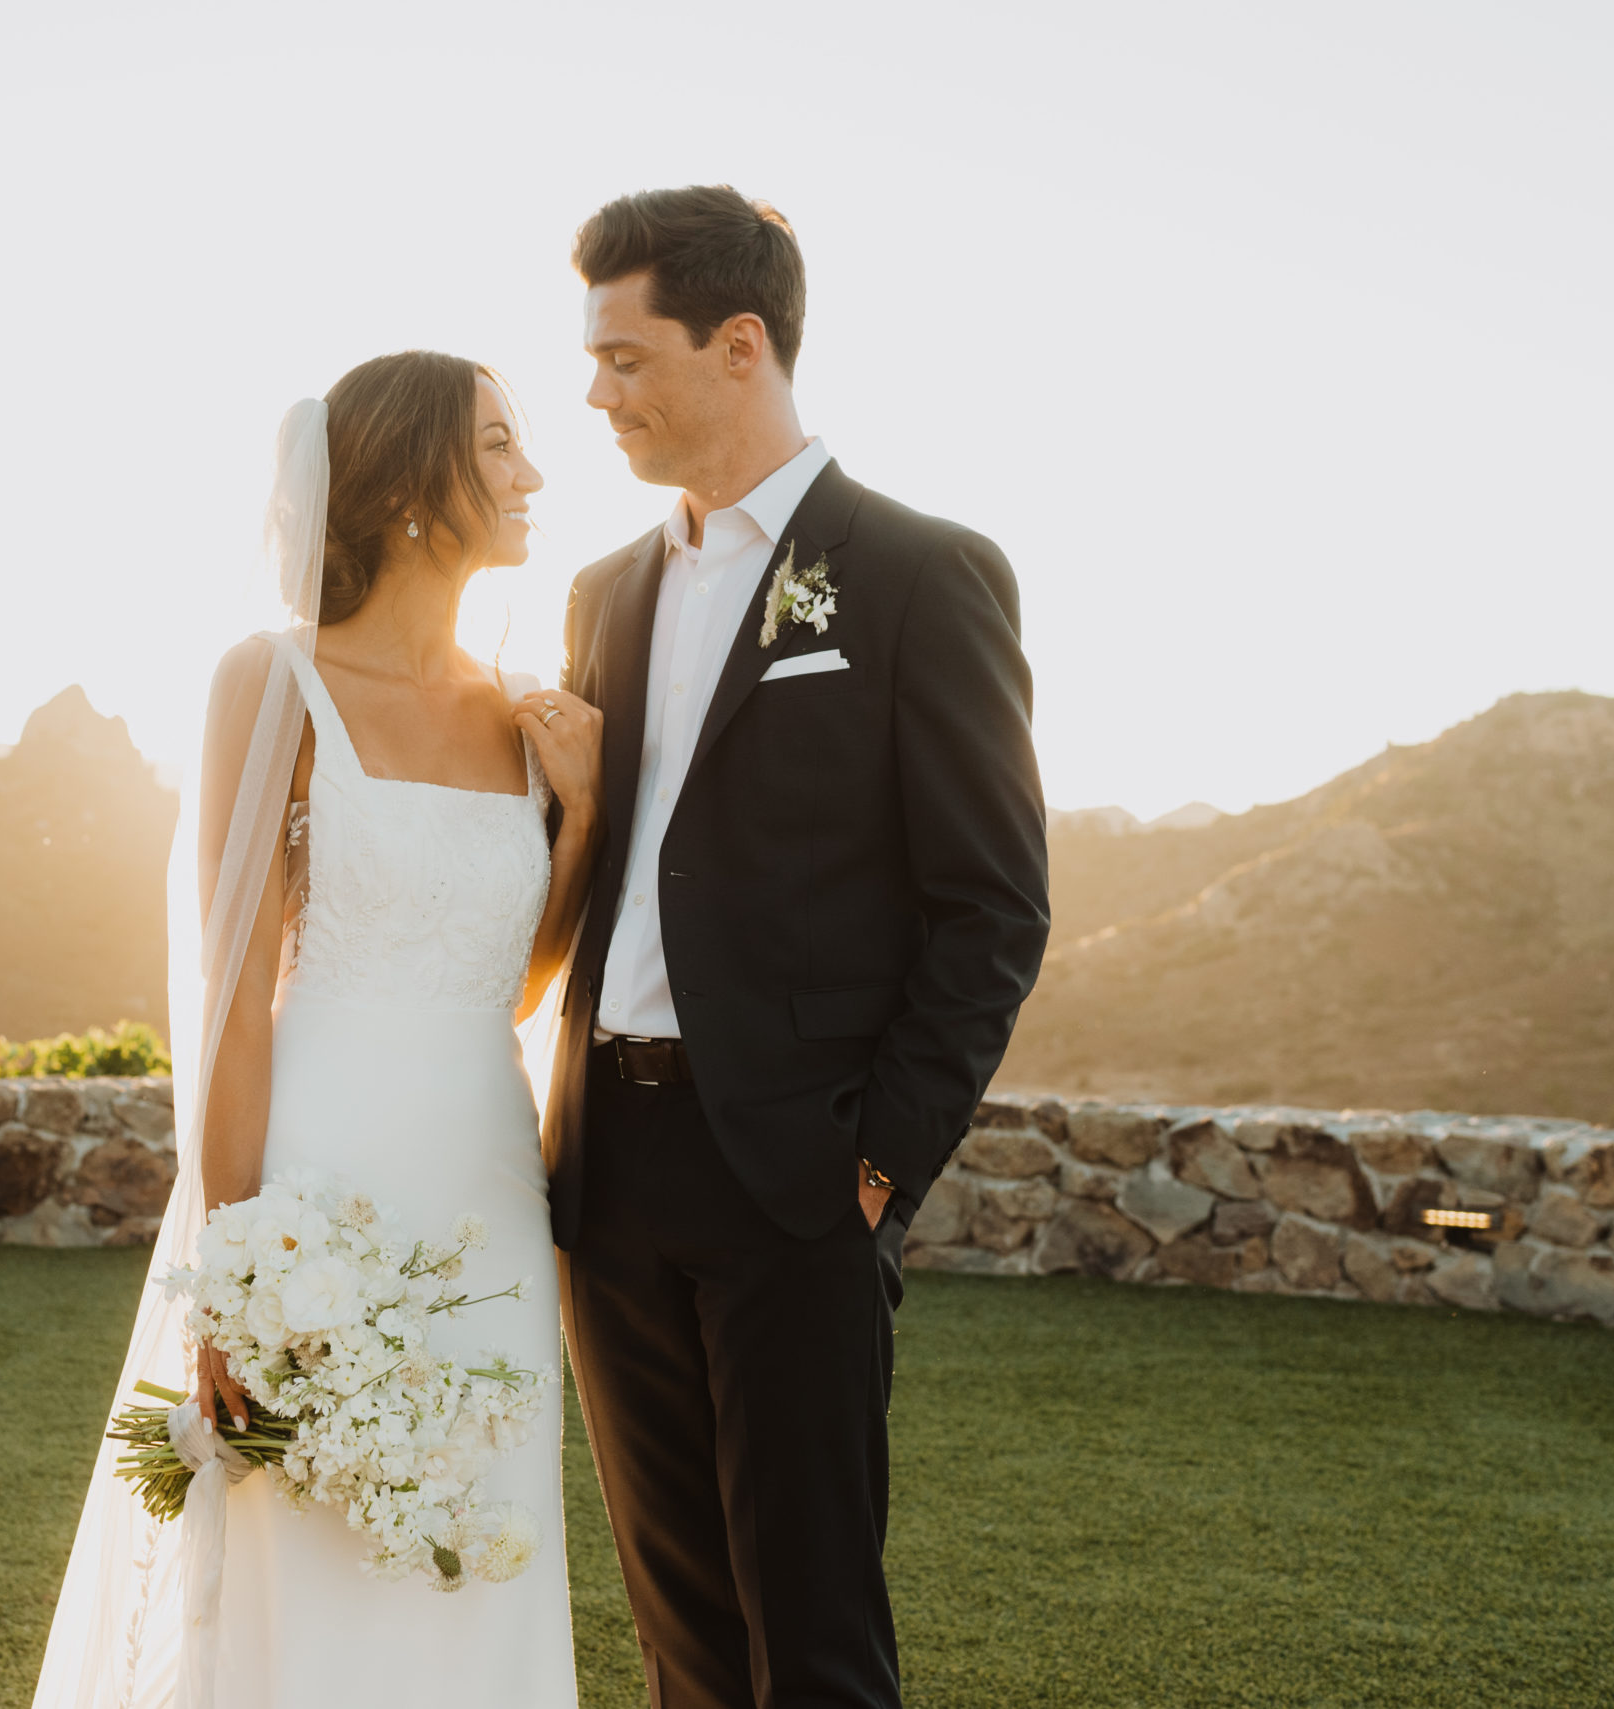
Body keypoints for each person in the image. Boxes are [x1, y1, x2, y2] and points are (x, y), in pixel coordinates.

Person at [31, 351, 604, 1709]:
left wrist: (575, 817)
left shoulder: (524, 709)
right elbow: (230, 995)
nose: (532, 474)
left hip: (487, 1184)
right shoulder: (271, 681)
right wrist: (236, 1269)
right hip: (317, 1184)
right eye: (500, 445)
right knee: (309, 1546)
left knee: (476, 1544)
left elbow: (515, 983)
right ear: (413, 484)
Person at [547, 186, 1052, 1709]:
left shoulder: (916, 573)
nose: (596, 392)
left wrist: (879, 1164)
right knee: (681, 1628)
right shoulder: (604, 592)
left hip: (797, 1174)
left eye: (628, 357)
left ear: (742, 344)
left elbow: (993, 907)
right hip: (608, 1165)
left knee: (815, 1637)